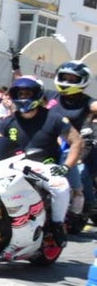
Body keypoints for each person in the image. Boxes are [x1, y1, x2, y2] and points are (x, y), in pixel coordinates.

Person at [0, 76, 80, 244]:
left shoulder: (54, 118)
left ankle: (58, 224)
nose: (23, 98)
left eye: (27, 93)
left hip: (44, 167)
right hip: (12, 166)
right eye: (19, 94)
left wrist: (66, 166)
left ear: (36, 95)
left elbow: (76, 141)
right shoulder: (9, 120)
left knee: (61, 186)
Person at [45, 61, 97, 216]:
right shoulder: (49, 95)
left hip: (75, 144)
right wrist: (16, 68)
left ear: (82, 80)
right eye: (64, 77)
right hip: (48, 141)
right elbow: (25, 89)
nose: (67, 81)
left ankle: (84, 200)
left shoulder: (87, 102)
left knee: (80, 170)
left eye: (72, 78)